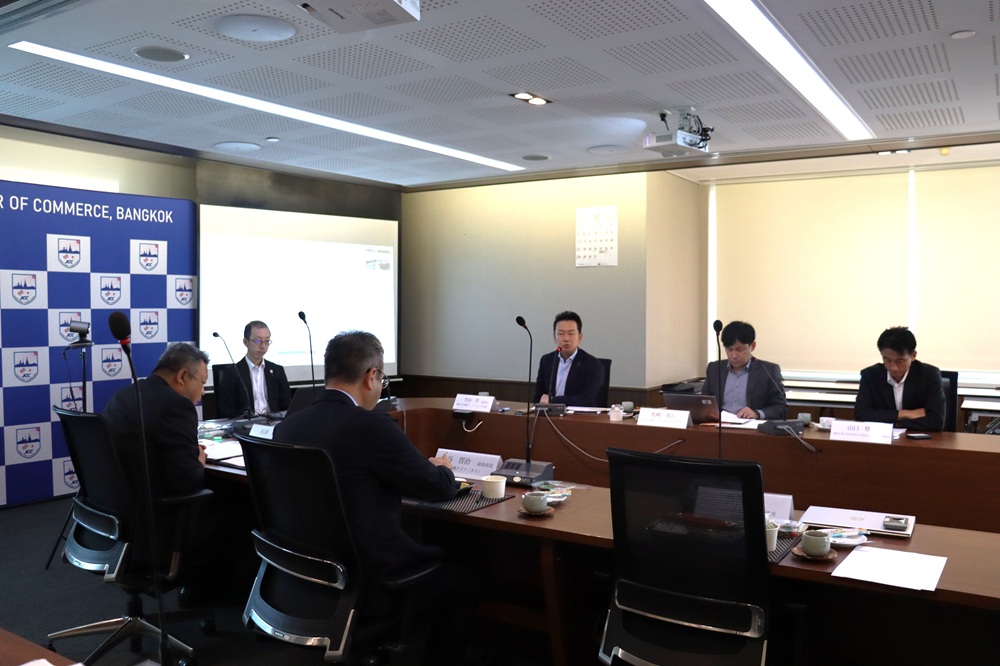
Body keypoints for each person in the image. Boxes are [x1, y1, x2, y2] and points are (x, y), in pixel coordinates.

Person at [274, 330, 457, 590]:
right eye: (382, 379)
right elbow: (439, 487)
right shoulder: (372, 427)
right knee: (465, 578)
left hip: (303, 572)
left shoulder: (286, 428)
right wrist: (443, 469)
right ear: (371, 377)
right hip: (369, 572)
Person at [854, 326, 945, 431]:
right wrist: (905, 414)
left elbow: (936, 421)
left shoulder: (929, 375)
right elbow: (860, 415)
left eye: (900, 361)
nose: (893, 367)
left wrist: (895, 423)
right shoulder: (870, 375)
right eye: (887, 360)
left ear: (913, 356)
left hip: (917, 439)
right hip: (882, 438)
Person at [702, 320, 787, 420]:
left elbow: (781, 408)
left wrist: (757, 414)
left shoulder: (769, 370)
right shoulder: (714, 369)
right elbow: (703, 402)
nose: (734, 355)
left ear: (752, 346)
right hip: (719, 425)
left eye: (739, 349)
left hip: (751, 426)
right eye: (729, 349)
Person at [215, 320, 291, 418]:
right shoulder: (233, 372)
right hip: (246, 423)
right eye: (258, 341)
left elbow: (287, 405)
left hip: (273, 422)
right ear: (246, 342)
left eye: (267, 341)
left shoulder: (277, 370)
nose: (263, 346)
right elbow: (226, 409)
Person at [533, 311, 606, 407]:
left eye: (571, 334)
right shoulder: (547, 360)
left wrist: (553, 400)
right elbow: (538, 397)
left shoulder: (592, 364)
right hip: (549, 413)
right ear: (554, 337)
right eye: (561, 333)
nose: (566, 339)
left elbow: (587, 400)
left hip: (578, 415)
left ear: (580, 337)